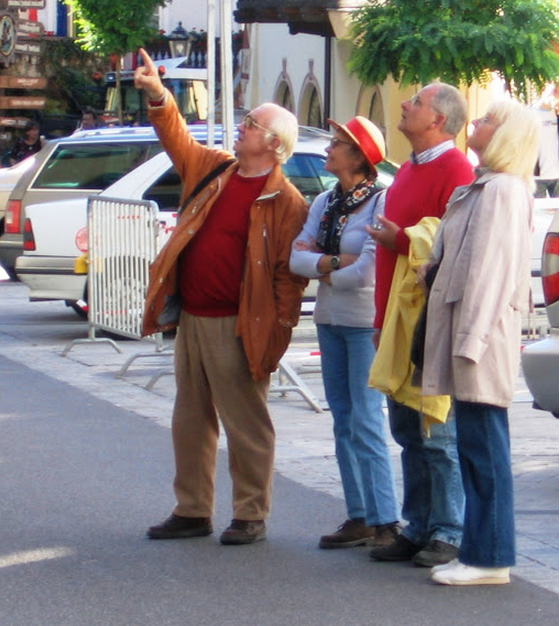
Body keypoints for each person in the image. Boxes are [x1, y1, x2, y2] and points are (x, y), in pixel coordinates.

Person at [134, 48, 308, 545]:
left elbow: (286, 279)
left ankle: (250, 514)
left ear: (273, 144)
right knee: (189, 420)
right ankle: (192, 510)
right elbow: (177, 140)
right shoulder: (216, 169)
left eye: (250, 123)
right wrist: (158, 95)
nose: (241, 126)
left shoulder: (286, 201)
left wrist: (275, 334)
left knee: (246, 424)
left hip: (240, 324)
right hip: (192, 316)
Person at [422, 100, 540, 585]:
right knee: (476, 446)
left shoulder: (502, 191)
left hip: (479, 335)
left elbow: (490, 273)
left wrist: (468, 341)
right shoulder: (489, 186)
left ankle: (490, 557)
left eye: (489, 120)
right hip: (471, 331)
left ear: (507, 134)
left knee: (484, 449)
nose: (478, 123)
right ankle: (479, 550)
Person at [367, 82, 474, 568]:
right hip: (396, 316)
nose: (406, 106)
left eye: (417, 102)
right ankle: (419, 524)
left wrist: (402, 239)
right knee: (408, 429)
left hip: (430, 320)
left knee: (438, 432)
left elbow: (453, 245)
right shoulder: (409, 168)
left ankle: (449, 530)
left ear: (438, 120)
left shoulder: (457, 170)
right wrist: (379, 319)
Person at [290, 117, 400, 550]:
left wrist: (322, 263)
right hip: (329, 320)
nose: (328, 150)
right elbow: (293, 256)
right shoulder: (324, 201)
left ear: (359, 155)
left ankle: (385, 517)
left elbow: (366, 273)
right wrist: (334, 263)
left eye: (337, 144)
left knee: (367, 418)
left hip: (362, 322)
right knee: (341, 419)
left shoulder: (380, 202)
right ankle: (358, 515)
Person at [532, 82, 559, 198]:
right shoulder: (529, 114)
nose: (556, 96)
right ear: (543, 89)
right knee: (538, 214)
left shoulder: (557, 115)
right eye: (554, 91)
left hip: (557, 175)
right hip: (536, 176)